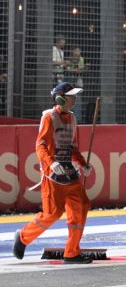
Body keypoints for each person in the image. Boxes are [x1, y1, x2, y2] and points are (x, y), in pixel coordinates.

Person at [12, 82, 94, 263]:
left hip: (70, 174)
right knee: (52, 214)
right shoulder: (49, 117)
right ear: (60, 98)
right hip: (53, 176)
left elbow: (72, 147)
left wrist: (82, 163)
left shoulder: (72, 118)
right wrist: (51, 163)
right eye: (72, 96)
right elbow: (40, 146)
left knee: (81, 207)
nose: (75, 99)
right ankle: (23, 237)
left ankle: (72, 252)